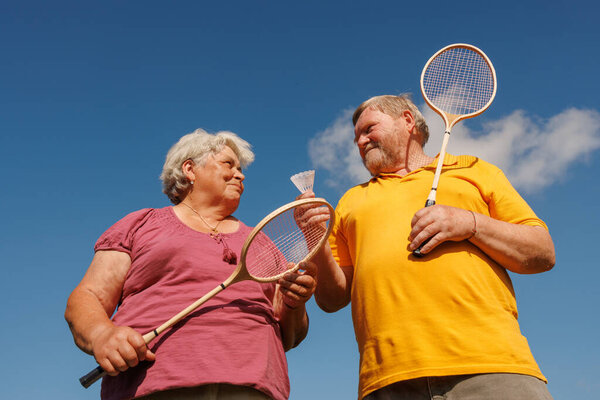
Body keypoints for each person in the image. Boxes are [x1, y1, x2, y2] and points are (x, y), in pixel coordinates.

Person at [303, 95, 556, 399]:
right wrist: (315, 238)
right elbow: (331, 299)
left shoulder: (475, 170)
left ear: (407, 121)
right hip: (387, 379)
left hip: (492, 365)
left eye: (369, 128)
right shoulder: (349, 202)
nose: (360, 141)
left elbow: (542, 252)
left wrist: (470, 223)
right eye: (356, 136)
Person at [65, 129, 317, 400]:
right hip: (153, 384)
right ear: (190, 169)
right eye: (228, 164)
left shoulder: (262, 240)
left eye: (241, 168)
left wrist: (295, 302)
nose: (240, 175)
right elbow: (87, 296)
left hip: (254, 387)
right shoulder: (140, 224)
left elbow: (291, 334)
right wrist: (102, 335)